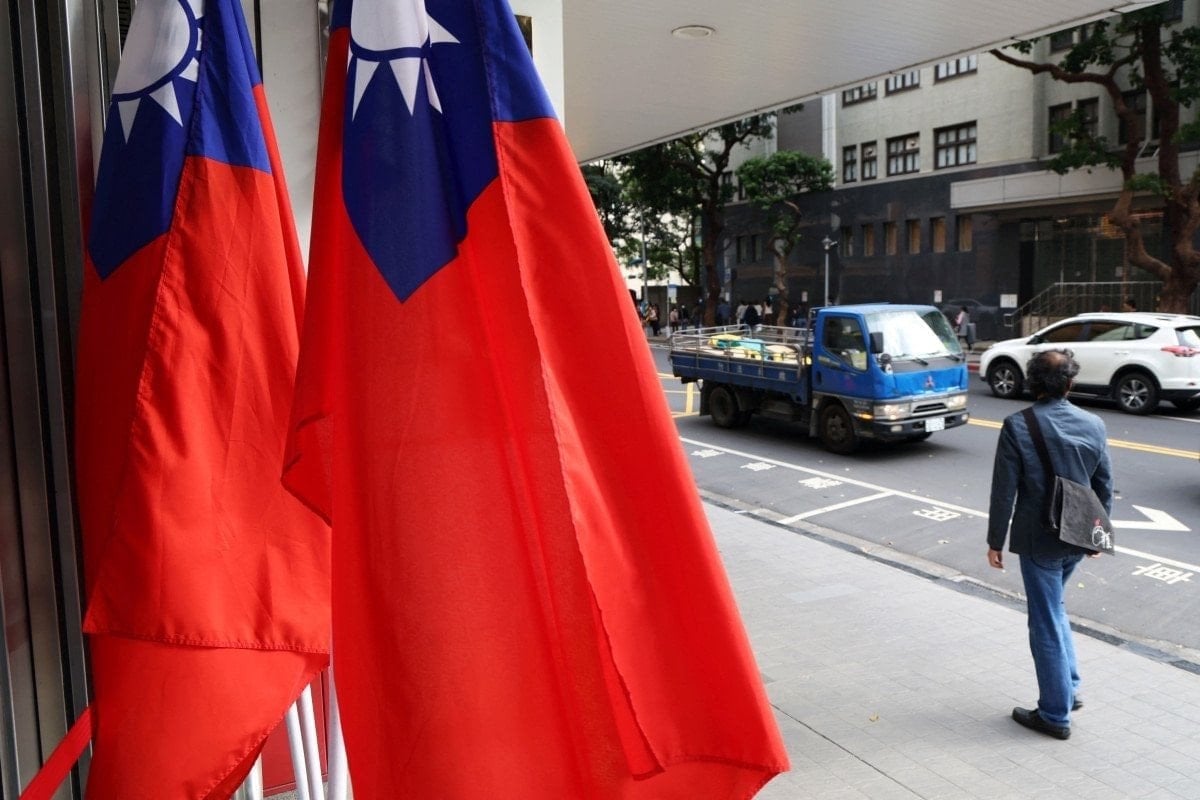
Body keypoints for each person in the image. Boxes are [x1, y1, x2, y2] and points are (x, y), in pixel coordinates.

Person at [987, 349, 1113, 741]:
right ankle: (1069, 688)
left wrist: (995, 540)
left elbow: (1004, 490)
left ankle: (1055, 714)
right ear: (1070, 383)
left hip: (1038, 538)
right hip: (1078, 533)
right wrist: (1098, 533)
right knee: (1055, 608)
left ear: (1032, 382)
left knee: (1044, 620)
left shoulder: (1017, 425)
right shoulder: (1094, 423)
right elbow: (1103, 484)